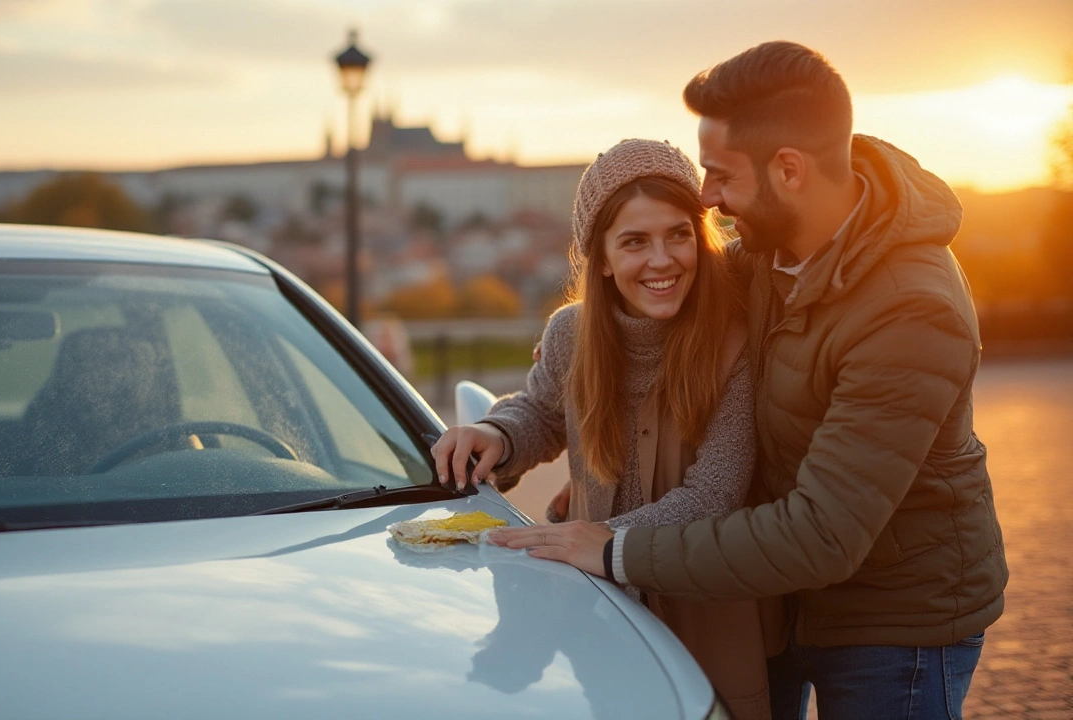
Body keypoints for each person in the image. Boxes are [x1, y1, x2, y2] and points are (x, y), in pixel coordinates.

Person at [489, 41, 1008, 720]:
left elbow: (820, 534)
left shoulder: (912, 310)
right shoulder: (766, 253)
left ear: (788, 170)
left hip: (892, 613)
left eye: (721, 176)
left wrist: (614, 545)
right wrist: (557, 415)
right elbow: (642, 318)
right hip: (779, 599)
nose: (707, 198)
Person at [432, 138, 778, 719]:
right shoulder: (572, 333)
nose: (662, 259)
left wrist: (594, 540)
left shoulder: (736, 339)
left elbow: (714, 494)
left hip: (716, 632)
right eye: (635, 241)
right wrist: (497, 433)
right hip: (602, 628)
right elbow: (541, 413)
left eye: (678, 233)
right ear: (602, 258)